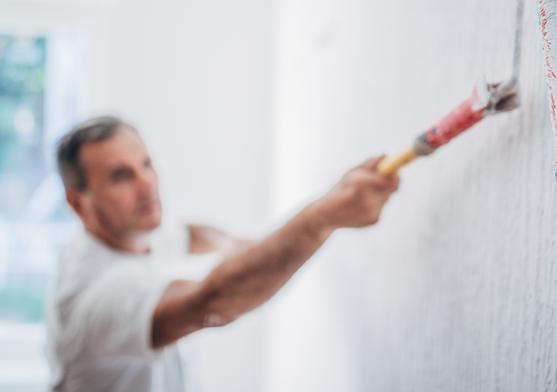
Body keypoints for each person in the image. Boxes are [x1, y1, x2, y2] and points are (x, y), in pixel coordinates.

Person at [46, 116, 399, 392]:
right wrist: (321, 218)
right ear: (78, 202)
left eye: (147, 164)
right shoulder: (95, 298)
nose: (148, 184)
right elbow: (208, 303)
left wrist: (252, 247)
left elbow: (193, 234)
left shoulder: (132, 230)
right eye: (121, 176)